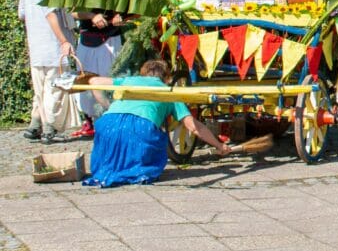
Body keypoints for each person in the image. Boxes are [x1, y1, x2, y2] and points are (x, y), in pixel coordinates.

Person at [82, 59, 229, 187]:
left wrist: (108, 105)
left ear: (143, 73)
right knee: (151, 139)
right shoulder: (169, 91)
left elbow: (94, 81)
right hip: (140, 127)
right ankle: (137, 170)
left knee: (109, 156)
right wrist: (218, 145)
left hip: (107, 124)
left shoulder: (129, 80)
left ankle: (111, 169)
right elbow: (193, 126)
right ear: (167, 78)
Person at [17, 0, 74, 142]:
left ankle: (34, 124)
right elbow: (50, 14)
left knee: (40, 89)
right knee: (54, 87)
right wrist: (64, 40)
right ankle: (49, 127)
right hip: (52, 45)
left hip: (36, 46)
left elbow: (22, 15)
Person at [71, 0, 125, 138]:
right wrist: (92, 16)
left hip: (112, 37)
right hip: (88, 39)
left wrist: (121, 16)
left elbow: (128, 9)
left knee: (111, 79)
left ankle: (111, 118)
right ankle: (88, 121)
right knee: (86, 80)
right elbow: (74, 11)